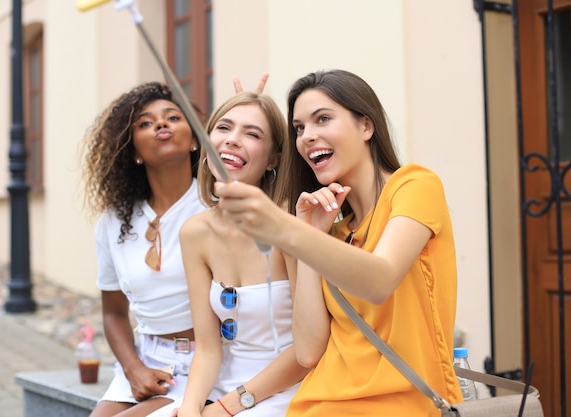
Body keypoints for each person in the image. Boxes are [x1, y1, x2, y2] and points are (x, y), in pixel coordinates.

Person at [212, 69, 463, 416]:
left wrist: (286, 228)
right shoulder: (332, 231)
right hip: (317, 404)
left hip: (403, 404)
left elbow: (379, 280)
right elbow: (308, 351)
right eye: (299, 128)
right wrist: (311, 233)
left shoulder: (414, 186)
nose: (307, 137)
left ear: (366, 126)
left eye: (322, 119)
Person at [175, 92, 309, 417]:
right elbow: (208, 348)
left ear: (273, 159)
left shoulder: (292, 223)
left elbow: (309, 351)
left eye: (252, 134)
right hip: (224, 386)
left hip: (289, 390)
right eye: (223, 127)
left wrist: (227, 407)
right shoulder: (195, 233)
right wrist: (191, 407)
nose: (233, 141)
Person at [81, 81, 205, 417]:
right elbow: (114, 313)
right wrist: (134, 368)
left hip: (209, 362)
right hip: (146, 360)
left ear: (195, 139)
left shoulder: (217, 206)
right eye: (145, 123)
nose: (161, 125)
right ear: (133, 150)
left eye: (173, 118)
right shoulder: (113, 221)